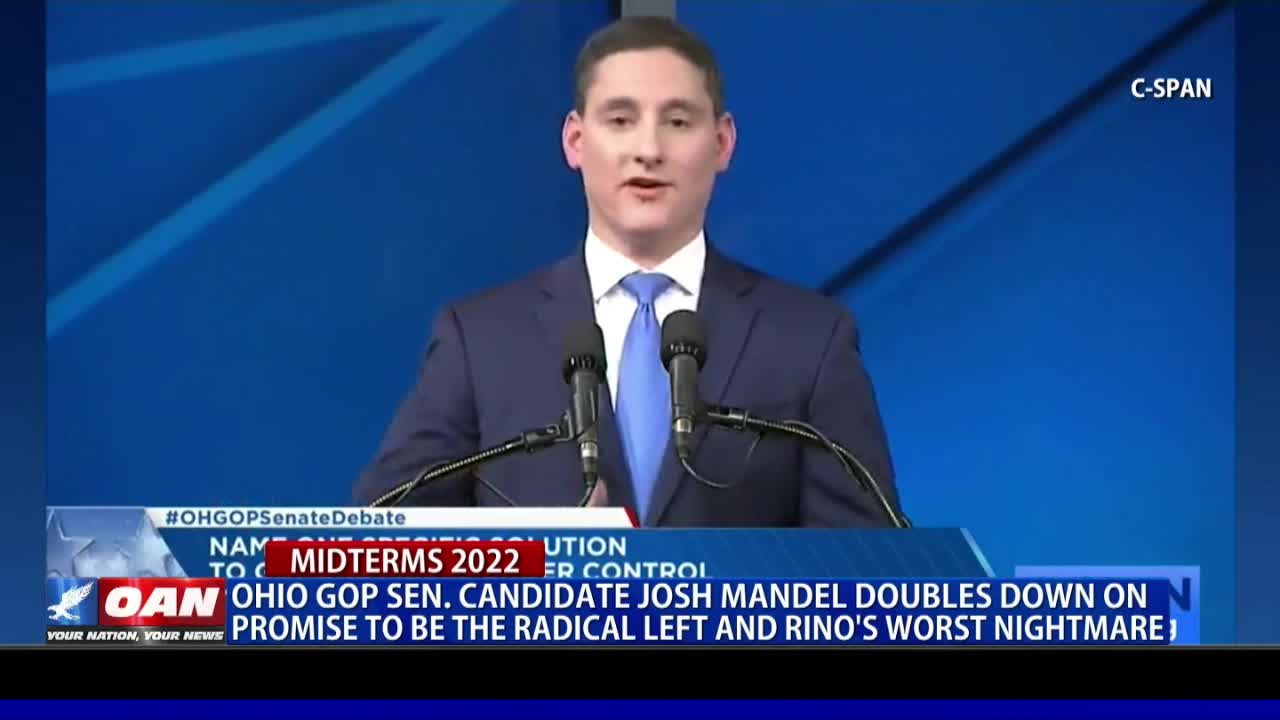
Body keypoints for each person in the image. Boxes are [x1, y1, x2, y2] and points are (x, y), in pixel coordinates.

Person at [353, 16, 902, 528]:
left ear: (722, 143)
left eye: (678, 121)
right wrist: (540, 559)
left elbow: (867, 569)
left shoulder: (810, 340)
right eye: (620, 120)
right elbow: (376, 549)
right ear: (575, 141)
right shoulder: (479, 340)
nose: (648, 149)